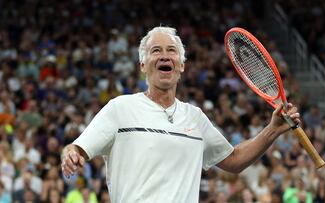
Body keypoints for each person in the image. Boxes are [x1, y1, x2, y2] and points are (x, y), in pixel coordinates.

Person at [61, 26, 301, 202]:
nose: (164, 55)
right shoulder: (119, 108)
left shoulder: (195, 118)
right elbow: (76, 148)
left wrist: (273, 130)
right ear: (143, 65)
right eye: (156, 51)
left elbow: (234, 160)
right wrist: (70, 154)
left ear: (181, 65)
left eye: (171, 51)